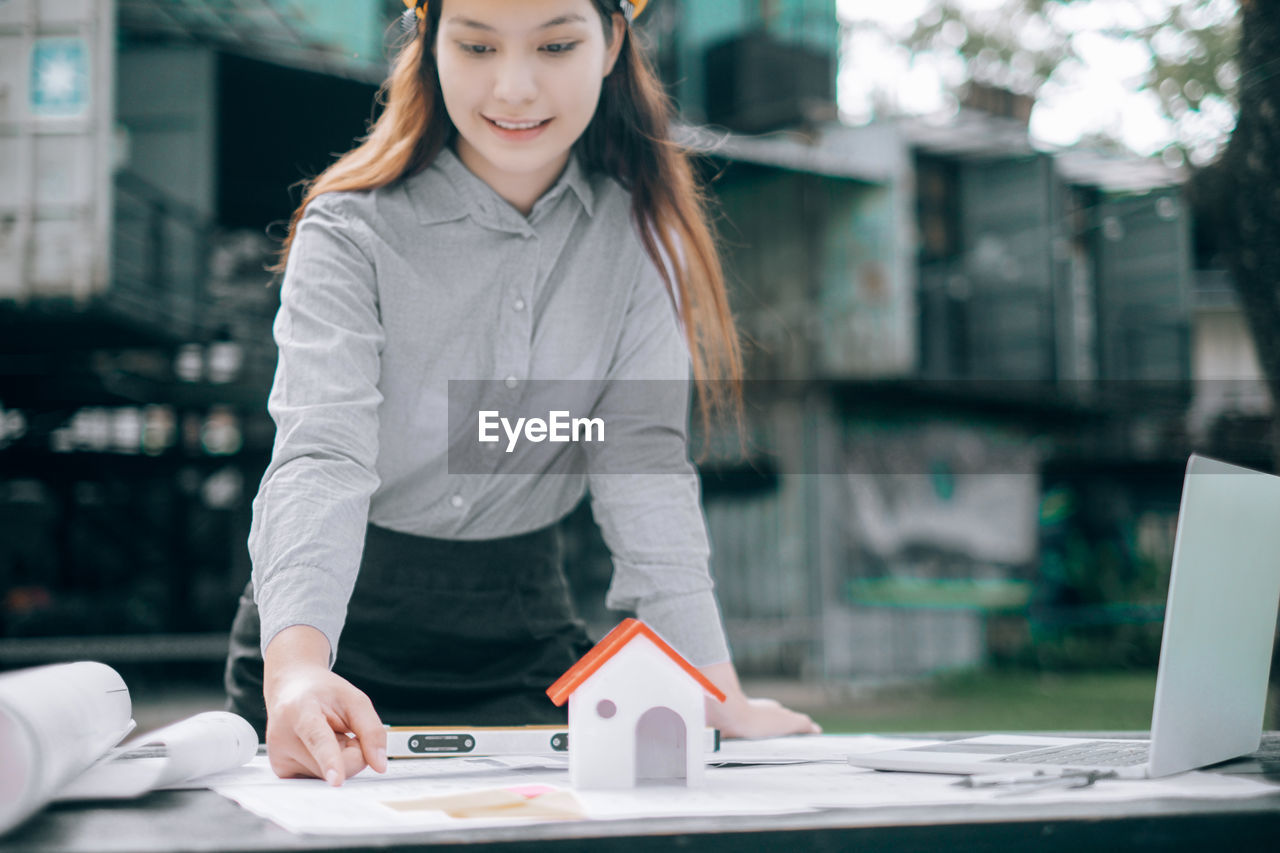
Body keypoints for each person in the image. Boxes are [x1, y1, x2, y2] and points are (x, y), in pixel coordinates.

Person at [224, 0, 820, 787]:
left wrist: (715, 691)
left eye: (556, 44)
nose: (513, 87)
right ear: (428, 46)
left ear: (611, 43)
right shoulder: (348, 230)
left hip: (522, 631)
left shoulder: (642, 240)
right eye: (475, 44)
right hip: (330, 640)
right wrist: (296, 671)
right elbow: (321, 453)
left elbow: (643, 469)